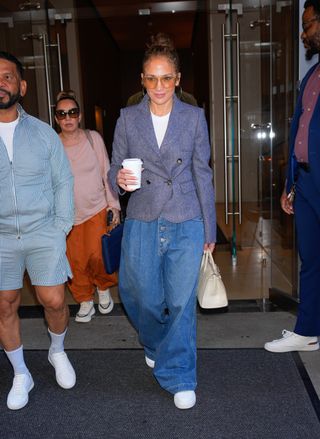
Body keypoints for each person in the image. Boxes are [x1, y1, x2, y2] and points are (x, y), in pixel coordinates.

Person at [108, 34, 216, 409]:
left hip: (186, 216)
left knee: (183, 301)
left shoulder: (193, 117)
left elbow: (203, 172)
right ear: (141, 79)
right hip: (142, 215)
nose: (159, 86)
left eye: (166, 78)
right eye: (151, 78)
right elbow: (114, 167)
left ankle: (180, 373)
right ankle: (154, 341)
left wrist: (210, 226)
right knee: (141, 297)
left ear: (178, 79)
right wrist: (118, 180)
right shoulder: (127, 118)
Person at [0, 52, 76, 411]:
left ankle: (57, 351)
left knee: (55, 300)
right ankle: (20, 374)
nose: (0, 83)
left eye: (7, 76)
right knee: (4, 305)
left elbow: (63, 181)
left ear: (21, 85)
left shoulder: (45, 133)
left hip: (44, 231)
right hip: (0, 238)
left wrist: (60, 228)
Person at [265, 0, 320, 353]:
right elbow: (301, 127)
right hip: (305, 181)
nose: (303, 33)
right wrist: (290, 184)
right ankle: (308, 330)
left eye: (309, 23)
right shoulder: (311, 76)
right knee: (311, 259)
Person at [55, 91, 121, 323]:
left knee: (98, 256)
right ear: (56, 119)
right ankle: (84, 299)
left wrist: (114, 206)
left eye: (72, 112)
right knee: (75, 261)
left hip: (96, 208)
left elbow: (107, 173)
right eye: (62, 114)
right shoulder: (53, 146)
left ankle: (103, 289)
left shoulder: (93, 139)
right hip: (67, 215)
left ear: (80, 115)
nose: (68, 118)